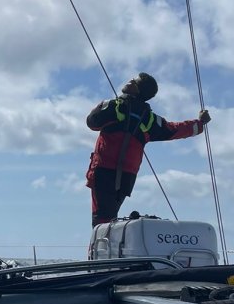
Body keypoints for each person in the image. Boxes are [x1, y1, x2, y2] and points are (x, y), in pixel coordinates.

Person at [86, 73, 210, 226]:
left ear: (138, 90)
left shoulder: (115, 106)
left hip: (103, 172)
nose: (130, 80)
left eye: (134, 81)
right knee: (109, 218)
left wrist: (106, 104)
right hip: (126, 177)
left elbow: (91, 123)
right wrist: (199, 124)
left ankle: (99, 249)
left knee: (101, 221)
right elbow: (173, 130)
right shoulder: (150, 119)